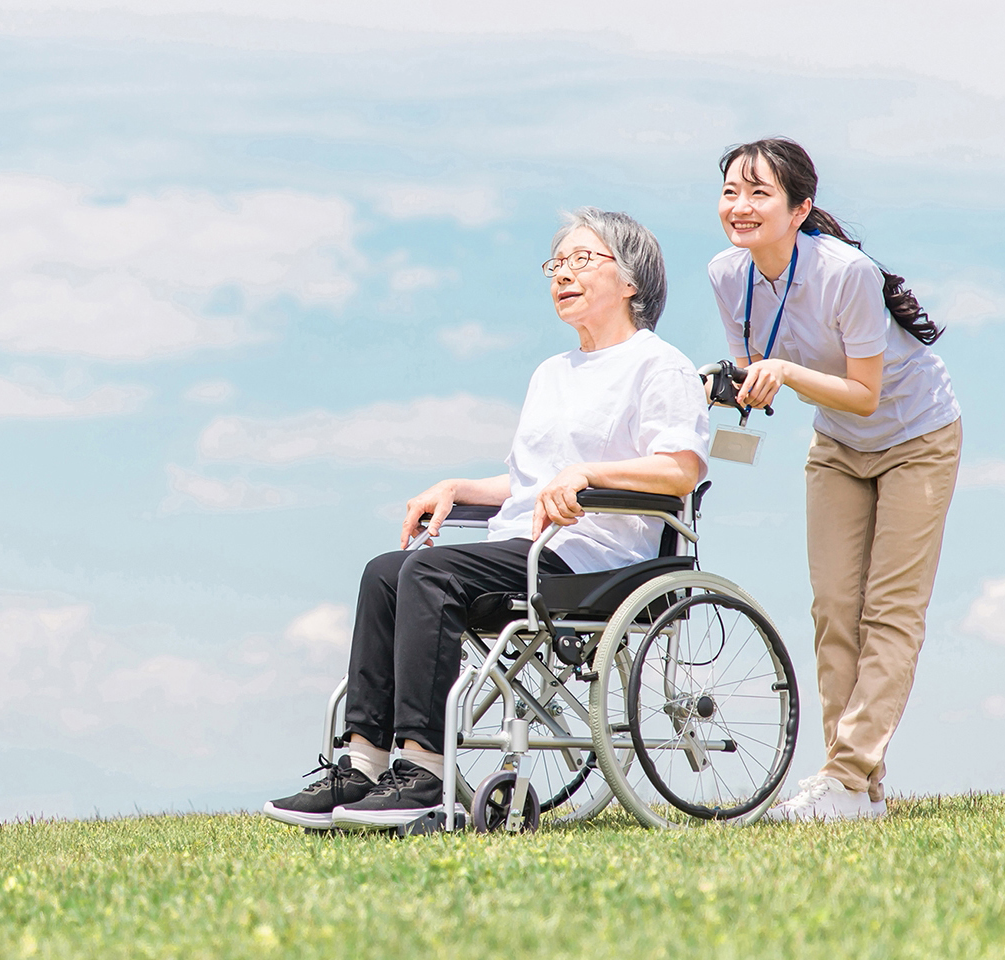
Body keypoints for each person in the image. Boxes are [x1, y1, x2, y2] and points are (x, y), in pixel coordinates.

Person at [264, 208, 712, 830]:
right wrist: (458, 487)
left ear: (632, 279)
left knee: (428, 574)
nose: (564, 274)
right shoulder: (551, 373)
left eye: (583, 260)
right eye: (556, 264)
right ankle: (361, 761)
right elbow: (529, 479)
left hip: (597, 555)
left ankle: (423, 770)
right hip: (523, 545)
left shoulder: (658, 364)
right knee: (386, 571)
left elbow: (681, 469)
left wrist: (590, 475)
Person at [706, 137, 962, 823]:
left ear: (800, 207)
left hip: (917, 436)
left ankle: (846, 777)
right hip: (839, 447)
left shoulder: (845, 273)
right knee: (834, 611)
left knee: (891, 611)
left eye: (760, 192)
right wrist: (727, 387)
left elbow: (865, 392)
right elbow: (754, 384)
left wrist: (784, 374)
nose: (741, 205)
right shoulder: (726, 275)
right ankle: (856, 790)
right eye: (732, 190)